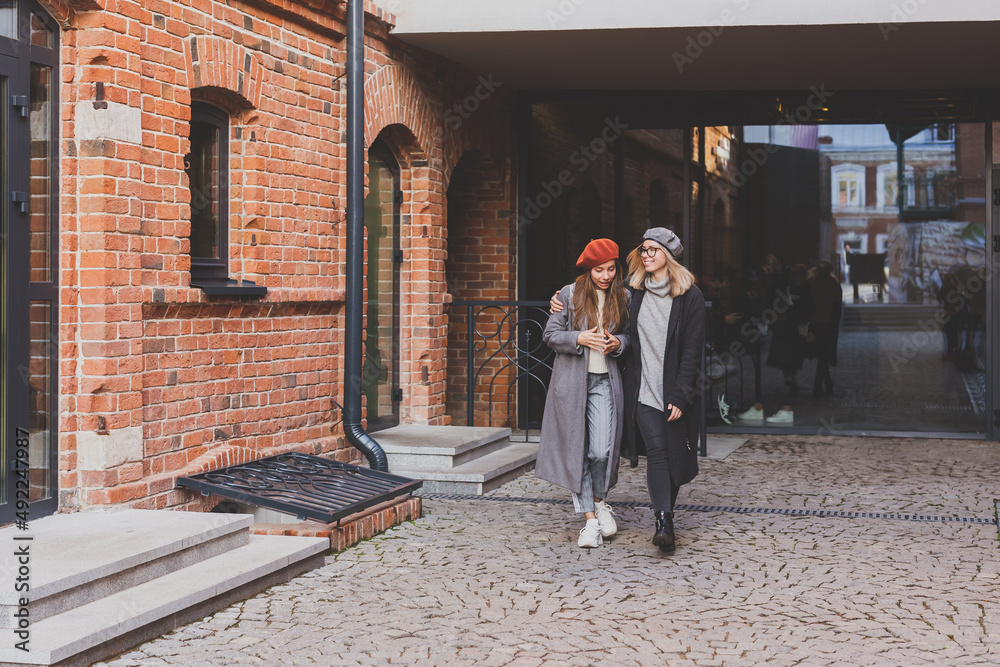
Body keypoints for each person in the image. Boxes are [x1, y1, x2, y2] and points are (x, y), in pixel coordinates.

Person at [537, 238, 630, 548]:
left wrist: (619, 343)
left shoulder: (625, 296)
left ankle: (601, 501)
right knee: (579, 450)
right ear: (589, 270)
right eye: (598, 270)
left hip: (606, 382)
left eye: (610, 269)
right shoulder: (569, 294)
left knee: (602, 451)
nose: (604, 275)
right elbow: (550, 334)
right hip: (573, 384)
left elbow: (632, 336)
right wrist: (579, 337)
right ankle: (590, 520)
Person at [622, 228, 704, 555]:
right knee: (656, 450)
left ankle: (665, 516)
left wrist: (682, 395)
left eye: (653, 250)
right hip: (642, 390)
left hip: (674, 390)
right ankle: (663, 522)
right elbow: (595, 296)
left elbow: (692, 352)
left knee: (673, 455)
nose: (646, 255)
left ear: (668, 255)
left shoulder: (689, 296)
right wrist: (561, 297)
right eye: (643, 249)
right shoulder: (633, 291)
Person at [807, 261, 842, 395]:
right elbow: (837, 308)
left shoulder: (812, 284)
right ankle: (818, 385)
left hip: (815, 323)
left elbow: (808, 305)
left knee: (822, 354)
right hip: (829, 324)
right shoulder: (834, 285)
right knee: (824, 355)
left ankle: (827, 382)